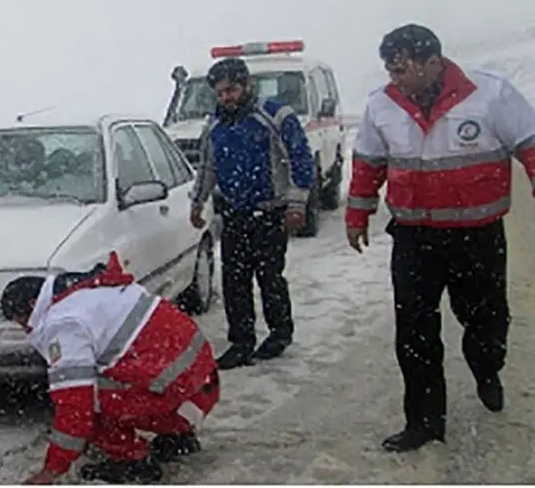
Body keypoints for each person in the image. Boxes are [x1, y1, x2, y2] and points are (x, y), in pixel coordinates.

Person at [345, 23, 535, 452]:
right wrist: (358, 214)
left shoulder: (490, 95)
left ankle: (487, 367)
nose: (397, 80)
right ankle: (425, 421)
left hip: (478, 236)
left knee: (486, 321)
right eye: (391, 71)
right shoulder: (382, 105)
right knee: (414, 332)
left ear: (434, 62)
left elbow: (530, 146)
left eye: (404, 70)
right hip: (415, 238)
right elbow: (368, 164)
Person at [1, 252, 221, 485]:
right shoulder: (95, 291)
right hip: (202, 389)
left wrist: (51, 470)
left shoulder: (64, 324)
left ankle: (131, 462)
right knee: (118, 373)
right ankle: (177, 437)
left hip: (177, 396)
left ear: (33, 306)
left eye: (22, 321)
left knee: (84, 396)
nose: (26, 329)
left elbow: (75, 408)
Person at [188, 57, 315, 369]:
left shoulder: (274, 115)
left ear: (247, 85)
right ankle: (241, 342)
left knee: (269, 276)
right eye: (220, 93)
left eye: (231, 90)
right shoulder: (215, 125)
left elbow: (300, 158)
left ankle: (279, 332)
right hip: (234, 214)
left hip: (271, 213)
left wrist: (297, 204)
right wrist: (197, 202)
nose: (226, 98)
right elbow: (207, 167)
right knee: (234, 279)